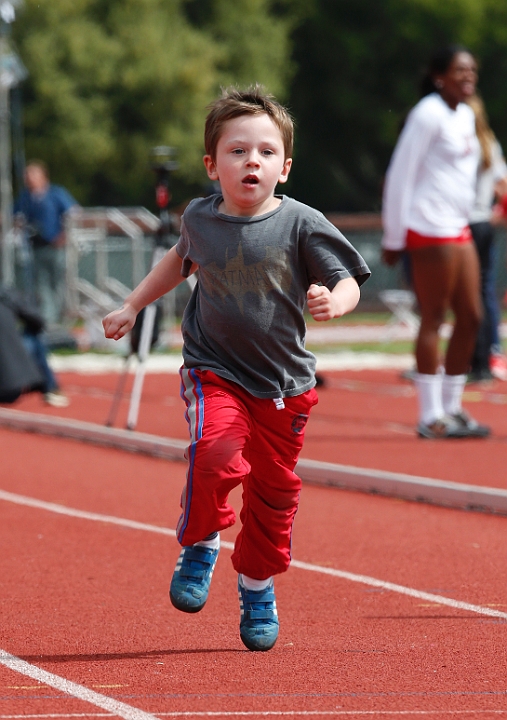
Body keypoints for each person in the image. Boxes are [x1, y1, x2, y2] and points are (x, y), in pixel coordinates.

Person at [103, 86, 370, 651]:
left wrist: (335, 302)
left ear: (286, 167)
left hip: (283, 386)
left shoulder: (302, 223)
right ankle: (200, 541)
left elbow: (346, 279)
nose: (253, 161)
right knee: (215, 452)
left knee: (274, 497)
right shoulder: (200, 216)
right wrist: (132, 304)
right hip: (214, 368)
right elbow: (180, 261)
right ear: (212, 164)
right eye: (238, 151)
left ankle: (256, 587)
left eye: (266, 152)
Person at [381, 45, 489, 439]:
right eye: (461, 70)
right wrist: (394, 236)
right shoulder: (427, 113)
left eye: (473, 71)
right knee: (435, 315)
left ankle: (454, 407)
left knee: (472, 316)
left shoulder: (465, 115)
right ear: (439, 75)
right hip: (428, 227)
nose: (469, 77)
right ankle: (430, 415)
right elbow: (400, 175)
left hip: (459, 226)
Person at [466, 94, 507, 383]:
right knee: (484, 290)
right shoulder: (490, 143)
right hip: (484, 223)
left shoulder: (463, 144)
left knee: (466, 295)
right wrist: (495, 212)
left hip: (464, 222)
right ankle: (489, 351)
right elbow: (503, 184)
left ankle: (477, 358)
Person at [14, 160, 78, 327]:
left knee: (58, 283)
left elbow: (73, 214)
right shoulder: (26, 197)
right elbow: (14, 217)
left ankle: (61, 318)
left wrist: (63, 236)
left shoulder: (56, 193)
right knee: (41, 285)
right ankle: (48, 319)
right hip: (35, 247)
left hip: (55, 246)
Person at [0, 286, 69, 407]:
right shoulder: (7, 295)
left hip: (9, 387)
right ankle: (50, 388)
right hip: (12, 389)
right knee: (34, 335)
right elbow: (37, 320)